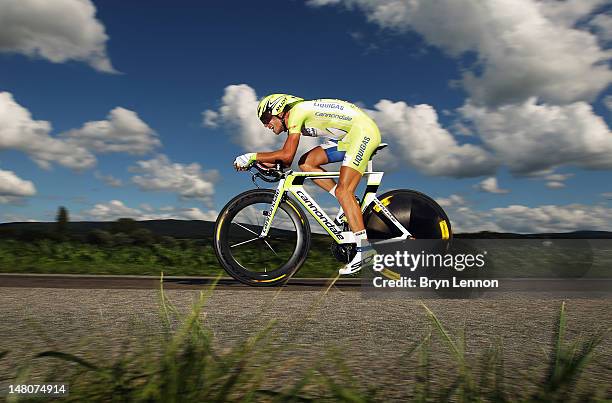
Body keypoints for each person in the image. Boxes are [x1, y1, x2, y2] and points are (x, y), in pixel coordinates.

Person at [233, 94, 381, 274]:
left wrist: (252, 156)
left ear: (279, 110)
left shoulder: (296, 112)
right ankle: (348, 202)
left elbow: (287, 155)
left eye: (266, 118)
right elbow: (287, 162)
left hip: (363, 133)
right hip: (350, 137)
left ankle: (365, 250)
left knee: (345, 191)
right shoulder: (296, 115)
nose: (265, 125)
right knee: (306, 163)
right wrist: (258, 163)